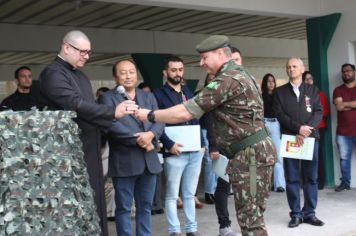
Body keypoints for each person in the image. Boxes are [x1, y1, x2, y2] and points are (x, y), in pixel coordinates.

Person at [136, 35, 276, 236]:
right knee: (253, 216)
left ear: (220, 54)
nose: (201, 63)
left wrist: (148, 114)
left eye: (204, 57)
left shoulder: (226, 80)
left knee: (251, 221)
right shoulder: (242, 74)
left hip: (250, 157)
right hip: (252, 153)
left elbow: (186, 112)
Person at [38, 30, 137, 236]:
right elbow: (74, 104)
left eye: (89, 52)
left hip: (89, 147)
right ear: (66, 47)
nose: (86, 56)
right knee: (76, 204)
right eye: (82, 51)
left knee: (94, 199)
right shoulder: (52, 74)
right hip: (69, 154)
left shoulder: (80, 75)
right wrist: (112, 112)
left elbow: (89, 107)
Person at [98, 59, 164, 235]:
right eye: (123, 72)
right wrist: (138, 139)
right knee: (124, 208)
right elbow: (110, 125)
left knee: (145, 207)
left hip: (148, 161)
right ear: (115, 76)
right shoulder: (107, 98)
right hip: (124, 161)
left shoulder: (148, 96)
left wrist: (150, 135)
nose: (128, 76)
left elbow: (158, 119)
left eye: (132, 72)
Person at [153, 55, 205, 236]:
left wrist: (202, 143)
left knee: (190, 193)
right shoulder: (158, 94)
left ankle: (192, 229)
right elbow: (158, 123)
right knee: (172, 195)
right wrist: (168, 145)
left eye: (180, 70)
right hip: (174, 151)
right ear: (165, 72)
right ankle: (174, 231)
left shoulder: (188, 92)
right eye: (173, 70)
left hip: (194, 150)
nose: (177, 73)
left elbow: (196, 117)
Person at [273, 57, 324, 228]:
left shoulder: (313, 90)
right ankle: (295, 214)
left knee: (311, 178)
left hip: (310, 139)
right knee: (292, 178)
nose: (291, 69)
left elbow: (318, 112)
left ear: (302, 69)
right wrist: (298, 129)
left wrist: (306, 129)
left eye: (295, 66)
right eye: (288, 67)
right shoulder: (280, 92)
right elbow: (280, 115)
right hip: (290, 139)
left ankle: (309, 213)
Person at [303, 71, 330, 190]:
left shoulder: (319, 94)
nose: (309, 81)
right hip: (303, 129)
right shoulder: (301, 94)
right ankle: (306, 181)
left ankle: (320, 181)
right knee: (304, 156)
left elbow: (324, 112)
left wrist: (311, 123)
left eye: (311, 79)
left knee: (317, 156)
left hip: (318, 128)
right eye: (306, 79)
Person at [333, 63, 356, 192]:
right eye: (344, 71)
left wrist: (345, 104)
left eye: (348, 71)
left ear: (354, 72)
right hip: (343, 132)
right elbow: (339, 107)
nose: (346, 73)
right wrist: (352, 104)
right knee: (344, 159)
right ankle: (345, 183)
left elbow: (343, 105)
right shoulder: (338, 90)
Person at [261, 73, 286, 193]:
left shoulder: (279, 96)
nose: (271, 83)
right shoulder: (260, 96)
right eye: (268, 81)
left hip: (276, 124)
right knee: (264, 155)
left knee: (278, 155)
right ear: (265, 83)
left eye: (273, 81)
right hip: (264, 123)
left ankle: (279, 184)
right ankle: (265, 184)